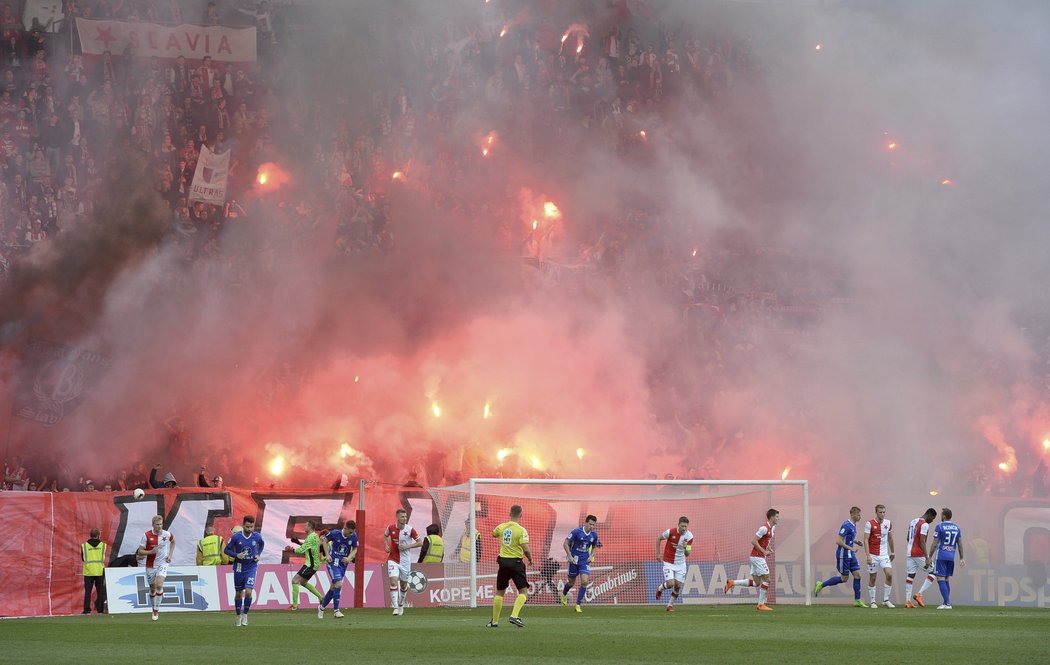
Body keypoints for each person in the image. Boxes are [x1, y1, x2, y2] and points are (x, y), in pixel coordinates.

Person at [725, 508, 779, 611]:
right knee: (767, 580)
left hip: (756, 557)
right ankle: (761, 604)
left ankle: (732, 583)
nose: (778, 518)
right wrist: (764, 551)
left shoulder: (773, 528)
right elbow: (754, 541)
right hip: (758, 557)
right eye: (777, 517)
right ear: (772, 517)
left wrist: (769, 548)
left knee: (757, 583)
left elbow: (765, 541)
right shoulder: (764, 528)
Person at [488, 504, 533, 628]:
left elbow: (494, 534)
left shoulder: (502, 527)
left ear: (510, 513)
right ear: (521, 515)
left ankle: (495, 621)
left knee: (499, 592)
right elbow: (526, 548)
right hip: (516, 563)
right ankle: (514, 615)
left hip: (503, 563)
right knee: (523, 591)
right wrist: (530, 558)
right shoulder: (521, 530)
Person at [813, 506, 865, 607]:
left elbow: (847, 538)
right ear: (852, 514)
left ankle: (857, 600)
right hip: (843, 555)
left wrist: (856, 542)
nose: (860, 517)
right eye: (858, 515)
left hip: (851, 554)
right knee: (844, 579)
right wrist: (851, 548)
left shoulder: (854, 525)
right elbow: (838, 541)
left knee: (857, 575)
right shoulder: (846, 525)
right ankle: (821, 584)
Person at [225, 515, 264, 626]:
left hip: (251, 567)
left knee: (248, 592)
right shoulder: (236, 537)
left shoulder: (256, 536)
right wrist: (237, 555)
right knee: (238, 594)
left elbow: (261, 544)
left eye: (251, 527)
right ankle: (238, 615)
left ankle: (245, 614)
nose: (249, 529)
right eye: (247, 527)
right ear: (243, 525)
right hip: (239, 568)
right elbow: (226, 550)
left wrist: (258, 554)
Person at [136, 515, 175, 621]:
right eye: (157, 524)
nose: (159, 526)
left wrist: (170, 555)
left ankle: (156, 610)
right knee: (152, 589)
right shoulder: (146, 535)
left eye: (161, 524)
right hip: (150, 565)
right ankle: (153, 608)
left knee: (159, 585)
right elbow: (140, 551)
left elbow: (173, 541)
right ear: (153, 525)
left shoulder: (167, 534)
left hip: (163, 563)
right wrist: (150, 552)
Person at [384, 508, 422, 615]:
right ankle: (395, 607)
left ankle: (401, 603)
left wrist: (407, 546)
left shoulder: (410, 530)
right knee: (393, 581)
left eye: (405, 517)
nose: (404, 519)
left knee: (404, 586)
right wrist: (386, 545)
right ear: (397, 517)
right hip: (393, 559)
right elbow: (386, 535)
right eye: (402, 517)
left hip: (405, 561)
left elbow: (420, 543)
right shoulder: (390, 527)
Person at [926, 507, 964, 609]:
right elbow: (959, 544)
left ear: (943, 516)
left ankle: (947, 603)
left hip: (941, 555)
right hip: (951, 556)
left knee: (940, 578)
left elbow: (934, 544)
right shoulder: (957, 527)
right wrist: (962, 558)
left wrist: (929, 556)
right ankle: (945, 602)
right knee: (946, 579)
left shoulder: (939, 527)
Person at [561, 514, 600, 612]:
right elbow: (565, 543)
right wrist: (569, 556)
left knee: (585, 581)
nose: (591, 527)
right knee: (571, 582)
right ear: (586, 523)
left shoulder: (594, 535)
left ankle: (578, 605)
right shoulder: (576, 532)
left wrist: (591, 556)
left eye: (593, 525)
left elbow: (594, 546)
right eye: (590, 524)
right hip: (574, 560)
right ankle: (564, 594)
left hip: (584, 561)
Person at [319, 520, 358, 619]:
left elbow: (355, 549)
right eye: (350, 532)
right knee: (339, 584)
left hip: (343, 564)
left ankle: (321, 607)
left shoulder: (353, 536)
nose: (351, 534)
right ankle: (336, 611)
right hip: (333, 562)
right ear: (345, 528)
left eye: (352, 532)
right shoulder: (335, 533)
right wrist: (327, 555)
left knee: (333, 587)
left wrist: (349, 558)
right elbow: (325, 541)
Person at [656, 516, 694, 611]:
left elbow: (688, 554)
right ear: (678, 525)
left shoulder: (690, 537)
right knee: (670, 584)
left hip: (681, 564)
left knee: (678, 586)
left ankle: (670, 605)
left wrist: (686, 547)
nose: (684, 528)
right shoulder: (670, 532)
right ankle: (660, 589)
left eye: (685, 526)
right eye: (682, 526)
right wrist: (658, 554)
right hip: (668, 561)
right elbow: (659, 539)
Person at [285, 520, 325, 610]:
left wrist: (291, 549)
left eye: (306, 525)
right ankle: (322, 598)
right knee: (303, 582)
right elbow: (309, 547)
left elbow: (301, 550)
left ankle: (294, 606)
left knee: (295, 580)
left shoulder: (310, 537)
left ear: (310, 527)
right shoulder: (314, 536)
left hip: (310, 565)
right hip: (314, 564)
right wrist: (298, 542)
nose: (304, 527)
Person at [861, 504, 895, 608]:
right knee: (873, 578)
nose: (882, 514)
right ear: (876, 512)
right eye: (880, 512)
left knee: (889, 574)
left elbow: (890, 538)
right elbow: (866, 540)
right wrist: (868, 556)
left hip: (884, 554)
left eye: (884, 512)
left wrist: (892, 552)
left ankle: (886, 600)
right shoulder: (869, 523)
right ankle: (873, 602)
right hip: (873, 555)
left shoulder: (888, 523)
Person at [904, 508, 937, 608]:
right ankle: (919, 594)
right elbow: (922, 541)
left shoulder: (913, 521)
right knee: (934, 571)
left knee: (910, 576)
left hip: (909, 552)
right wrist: (927, 557)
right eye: (933, 518)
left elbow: (907, 537)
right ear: (930, 515)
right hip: (918, 553)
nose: (932, 521)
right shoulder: (925, 525)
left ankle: (908, 601)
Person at [81, 528, 107, 614]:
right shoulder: (103, 545)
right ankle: (100, 610)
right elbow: (103, 556)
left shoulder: (84, 546)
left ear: (90, 535)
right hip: (99, 570)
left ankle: (86, 609)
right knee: (100, 591)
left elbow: (83, 558)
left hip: (88, 571)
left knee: (88, 591)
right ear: (98, 535)